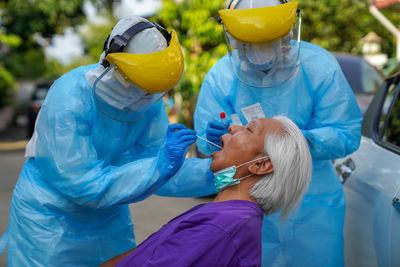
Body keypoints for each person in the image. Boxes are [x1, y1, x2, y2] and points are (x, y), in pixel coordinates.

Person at [1, 16, 216, 266]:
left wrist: (223, 174)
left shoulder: (145, 101)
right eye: (142, 87)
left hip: (109, 218)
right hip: (50, 221)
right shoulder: (69, 100)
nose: (147, 98)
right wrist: (159, 165)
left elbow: (163, 174)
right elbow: (84, 186)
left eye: (154, 92)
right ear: (116, 69)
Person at [194, 0, 363, 266]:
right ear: (235, 39)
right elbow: (207, 147)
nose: (261, 52)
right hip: (249, 202)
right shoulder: (222, 75)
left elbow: (346, 134)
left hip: (313, 202)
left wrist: (287, 141)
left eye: (269, 41)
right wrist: (215, 141)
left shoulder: (317, 66)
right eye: (250, 43)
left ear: (286, 34)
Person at [100, 116, 312, 267]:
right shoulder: (228, 217)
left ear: (261, 165)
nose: (232, 128)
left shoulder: (222, 227)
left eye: (248, 129)